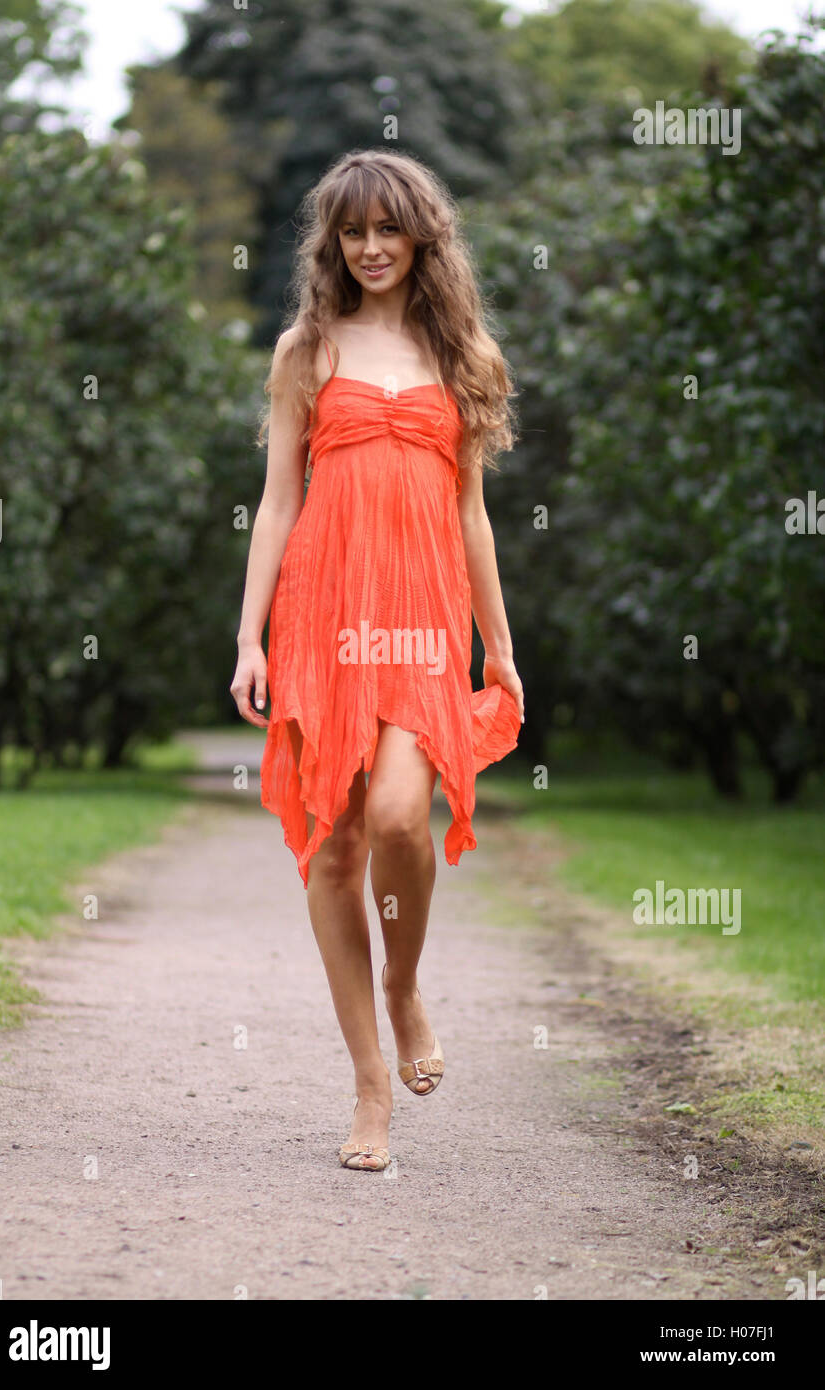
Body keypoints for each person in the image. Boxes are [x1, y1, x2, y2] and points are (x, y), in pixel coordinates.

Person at [230, 149, 525, 1171]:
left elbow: (472, 516)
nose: (368, 248)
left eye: (386, 230)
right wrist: (247, 634)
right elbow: (276, 500)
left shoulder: (463, 358)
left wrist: (500, 645)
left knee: (402, 814)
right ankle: (367, 1090)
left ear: (420, 236)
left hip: (421, 617)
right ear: (332, 242)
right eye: (351, 232)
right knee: (335, 845)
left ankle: (402, 987)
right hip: (323, 612)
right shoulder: (303, 352)